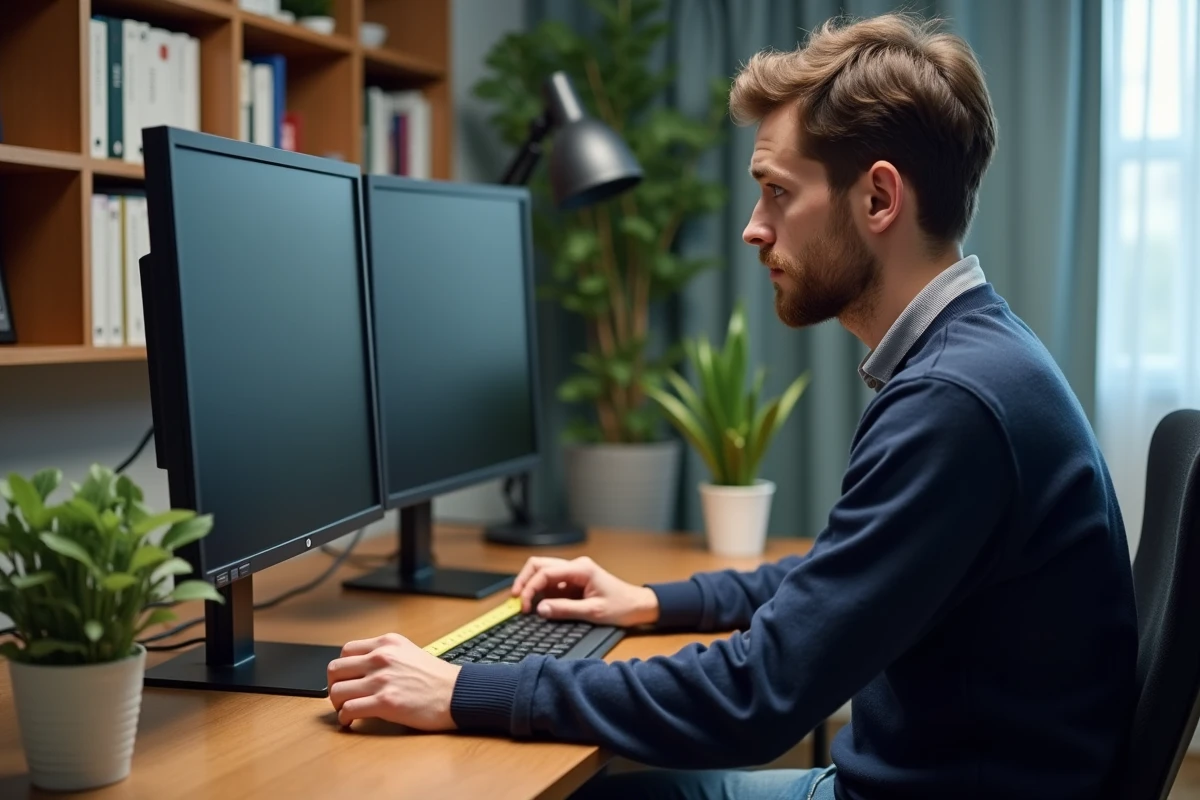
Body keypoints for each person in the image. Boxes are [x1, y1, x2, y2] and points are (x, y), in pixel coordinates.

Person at [326, 12, 1138, 800]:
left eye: (777, 192)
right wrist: (651, 602)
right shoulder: (973, 356)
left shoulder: (955, 401)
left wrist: (467, 689)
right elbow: (837, 577)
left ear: (879, 199)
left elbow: (758, 697)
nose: (754, 229)